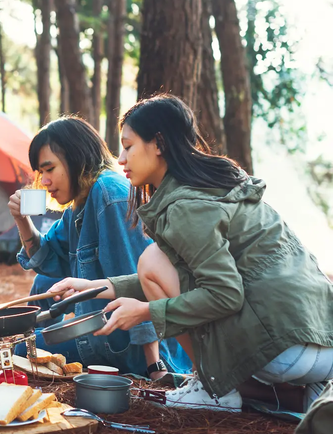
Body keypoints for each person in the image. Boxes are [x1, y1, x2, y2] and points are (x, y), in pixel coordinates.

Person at [49, 94, 333, 412]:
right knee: (157, 262)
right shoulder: (213, 184)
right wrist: (98, 288)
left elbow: (225, 294)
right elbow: (181, 276)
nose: (121, 159)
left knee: (152, 260)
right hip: (319, 342)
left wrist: (144, 312)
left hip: (281, 351)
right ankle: (305, 389)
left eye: (128, 146)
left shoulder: (186, 206)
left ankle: (213, 390)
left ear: (158, 143)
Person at [8, 117, 190, 379]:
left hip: (128, 345)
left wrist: (155, 367)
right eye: (41, 173)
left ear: (76, 157)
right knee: (44, 282)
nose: (44, 181)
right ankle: (33, 338)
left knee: (21, 352)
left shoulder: (108, 194)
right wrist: (22, 221)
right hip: (105, 331)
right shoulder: (80, 203)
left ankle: (32, 342)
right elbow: (47, 258)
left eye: (50, 169)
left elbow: (140, 279)